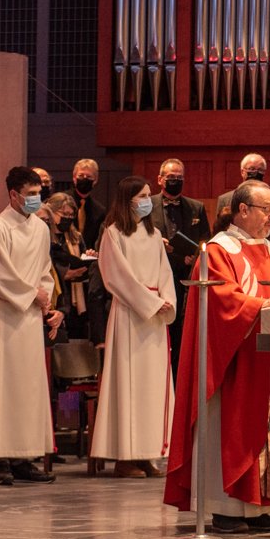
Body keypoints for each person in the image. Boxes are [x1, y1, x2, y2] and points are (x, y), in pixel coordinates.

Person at [164, 180, 270, 534]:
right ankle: (226, 507)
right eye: (266, 210)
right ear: (242, 210)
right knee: (235, 429)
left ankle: (259, 508)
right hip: (234, 364)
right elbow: (222, 299)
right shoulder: (217, 251)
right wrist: (260, 307)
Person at [0, 168, 62, 485]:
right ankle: (0, 460)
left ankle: (25, 456)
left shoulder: (39, 228)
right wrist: (31, 294)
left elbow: (45, 270)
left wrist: (47, 298)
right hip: (5, 314)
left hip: (30, 317)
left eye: (39, 193)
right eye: (31, 193)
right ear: (13, 194)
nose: (36, 199)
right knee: (4, 386)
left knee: (29, 387)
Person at [92, 177, 177, 478]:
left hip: (153, 318)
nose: (147, 201)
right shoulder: (113, 234)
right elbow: (116, 276)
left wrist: (166, 299)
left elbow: (164, 272)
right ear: (127, 200)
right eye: (141, 196)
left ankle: (147, 453)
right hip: (130, 313)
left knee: (152, 387)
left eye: (147, 196)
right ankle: (125, 457)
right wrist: (149, 302)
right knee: (130, 385)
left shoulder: (153, 234)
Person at [149, 157, 210, 367]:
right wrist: (157, 244)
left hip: (186, 277)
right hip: (156, 277)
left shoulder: (196, 207)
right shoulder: (147, 206)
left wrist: (195, 256)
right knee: (159, 331)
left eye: (179, 178)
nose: (175, 181)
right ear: (160, 179)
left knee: (182, 334)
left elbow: (205, 240)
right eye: (171, 177)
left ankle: (178, 377)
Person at [45, 192, 93, 340]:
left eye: (71, 215)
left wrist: (89, 256)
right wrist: (64, 273)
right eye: (64, 213)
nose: (68, 218)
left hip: (77, 298)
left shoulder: (75, 236)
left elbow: (82, 259)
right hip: (56, 297)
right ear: (51, 212)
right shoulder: (44, 235)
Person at [215, 152, 269, 217]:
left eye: (260, 169)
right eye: (251, 169)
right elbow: (221, 226)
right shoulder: (225, 200)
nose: (256, 172)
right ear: (242, 172)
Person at [72, 158, 107, 249]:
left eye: (89, 177)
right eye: (81, 175)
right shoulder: (62, 202)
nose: (84, 179)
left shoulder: (100, 211)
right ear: (74, 178)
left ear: (95, 180)